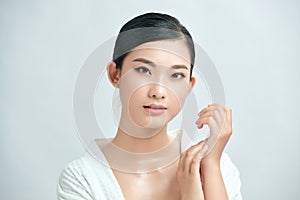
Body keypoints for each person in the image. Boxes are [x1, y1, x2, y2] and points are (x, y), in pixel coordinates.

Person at [57, 12, 242, 200]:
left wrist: (209, 169)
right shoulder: (82, 179)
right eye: (143, 70)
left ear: (189, 86)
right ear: (115, 74)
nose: (159, 91)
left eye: (176, 75)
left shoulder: (218, 168)